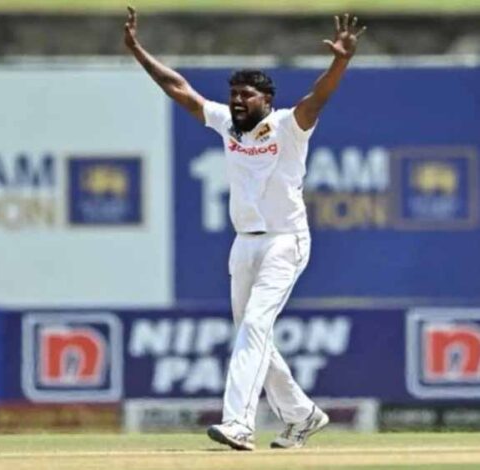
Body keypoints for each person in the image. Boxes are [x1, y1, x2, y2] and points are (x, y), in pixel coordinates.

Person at [124, 7, 365, 450]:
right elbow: (179, 89)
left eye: (246, 95)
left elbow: (318, 98)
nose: (237, 101)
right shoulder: (227, 125)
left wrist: (341, 61)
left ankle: (239, 424)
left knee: (254, 326)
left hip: (285, 242)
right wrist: (139, 52)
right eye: (234, 94)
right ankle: (303, 414)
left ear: (266, 101)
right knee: (251, 336)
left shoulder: (288, 126)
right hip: (244, 243)